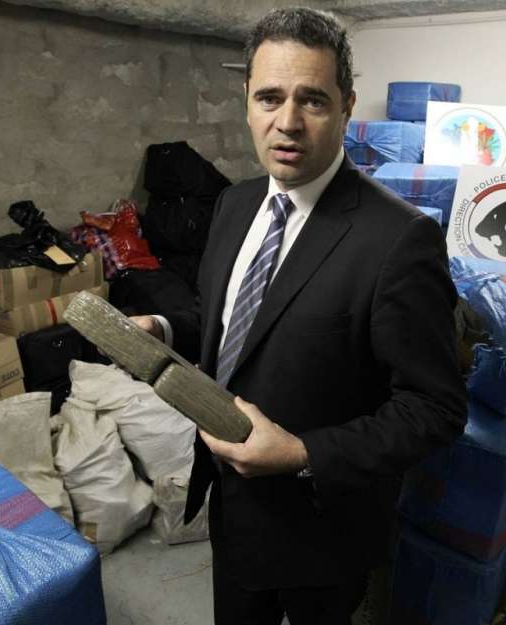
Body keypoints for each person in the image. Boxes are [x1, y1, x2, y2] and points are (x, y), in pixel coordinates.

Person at [133, 8, 466, 624]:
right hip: (232, 507)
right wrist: (166, 328)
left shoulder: (398, 240)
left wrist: (302, 452)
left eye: (312, 100)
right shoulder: (234, 203)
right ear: (246, 101)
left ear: (346, 108)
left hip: (324, 528)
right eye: (269, 98)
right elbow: (232, 315)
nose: (286, 122)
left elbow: (434, 409)